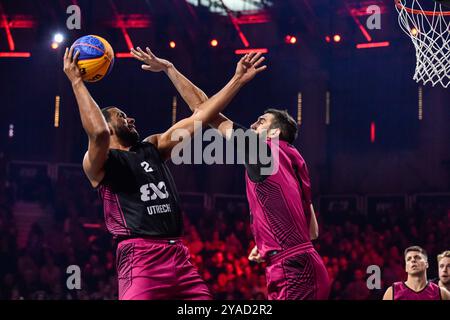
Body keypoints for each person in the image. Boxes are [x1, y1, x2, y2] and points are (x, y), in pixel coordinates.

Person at [63, 46, 266, 300]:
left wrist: (235, 79)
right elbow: (99, 133)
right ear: (108, 125)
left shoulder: (153, 147)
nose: (131, 119)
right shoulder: (99, 163)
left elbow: (202, 114)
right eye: (121, 116)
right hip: (140, 259)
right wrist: (77, 82)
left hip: (179, 257)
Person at [130, 48, 329, 300]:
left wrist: (171, 69)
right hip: (306, 265)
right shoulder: (294, 162)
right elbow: (311, 231)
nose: (253, 125)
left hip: (293, 271)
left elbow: (205, 111)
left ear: (274, 134)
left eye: (261, 122)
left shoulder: (263, 151)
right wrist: (270, 243)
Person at [383, 246, 450, 300]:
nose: (413, 260)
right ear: (406, 267)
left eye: (417, 257)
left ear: (427, 264)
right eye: (409, 259)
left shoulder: (442, 293)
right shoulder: (392, 292)